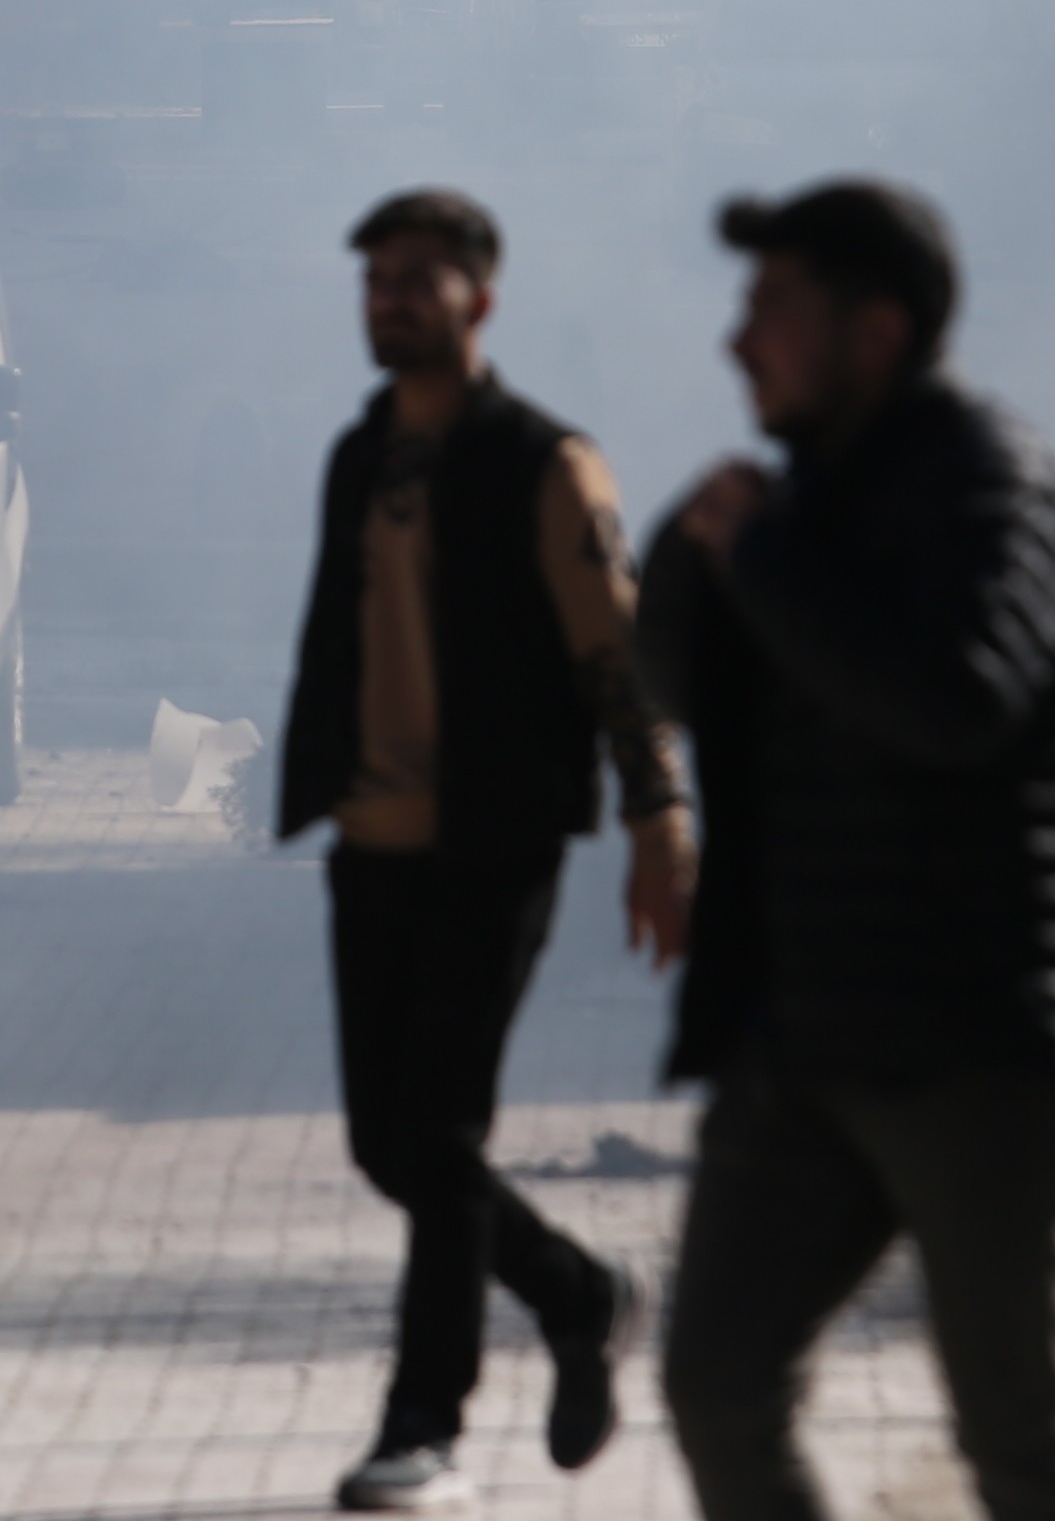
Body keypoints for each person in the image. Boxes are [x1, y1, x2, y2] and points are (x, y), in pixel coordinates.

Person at [644, 180, 1055, 1521]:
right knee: (719, 1389)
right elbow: (685, 684)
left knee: (1017, 1443)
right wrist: (694, 558)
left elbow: (953, 699)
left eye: (773, 312)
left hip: (984, 1044)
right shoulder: (795, 509)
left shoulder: (992, 479)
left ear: (878, 330)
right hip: (805, 1042)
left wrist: (765, 554)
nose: (739, 344)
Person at [279, 186, 691, 1511]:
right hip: (372, 839)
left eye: (418, 277)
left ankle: (424, 1424)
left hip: (495, 841)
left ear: (480, 298)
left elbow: (615, 655)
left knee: (441, 1133)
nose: (391, 298)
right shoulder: (361, 454)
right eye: (377, 280)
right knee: (389, 1146)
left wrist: (658, 817)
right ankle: (582, 1295)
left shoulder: (543, 464)